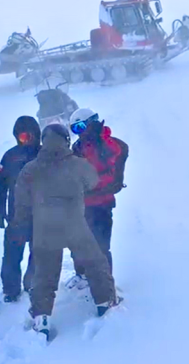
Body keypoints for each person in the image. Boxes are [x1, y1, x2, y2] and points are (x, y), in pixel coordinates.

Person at [10, 123, 120, 339]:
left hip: (44, 227)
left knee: (44, 275)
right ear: (66, 140)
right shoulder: (78, 164)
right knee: (95, 263)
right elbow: (93, 182)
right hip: (74, 223)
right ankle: (105, 301)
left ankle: (41, 319)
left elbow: (21, 203)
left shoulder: (30, 169)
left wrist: (21, 225)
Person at [64, 108, 129, 290]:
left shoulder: (107, 144)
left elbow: (110, 175)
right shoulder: (78, 147)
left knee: (100, 246)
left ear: (91, 123)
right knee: (77, 242)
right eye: (75, 129)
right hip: (80, 206)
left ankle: (107, 284)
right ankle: (83, 275)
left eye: (82, 127)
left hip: (101, 204)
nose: (80, 132)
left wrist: (88, 187)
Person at [0, 116, 41, 302]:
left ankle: (33, 284)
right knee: (11, 256)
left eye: (29, 136)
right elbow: (0, 186)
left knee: (39, 254)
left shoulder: (45, 154)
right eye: (22, 137)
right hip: (16, 216)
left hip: (41, 216)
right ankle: (10, 290)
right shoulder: (10, 156)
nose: (26, 141)